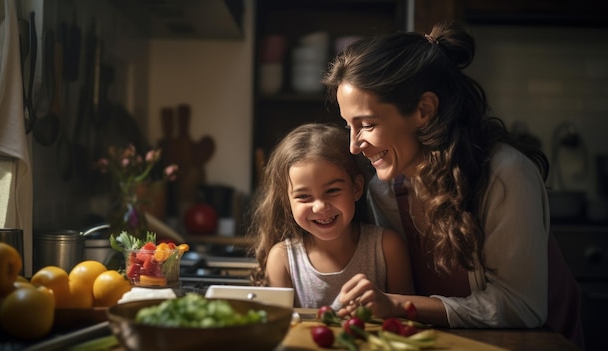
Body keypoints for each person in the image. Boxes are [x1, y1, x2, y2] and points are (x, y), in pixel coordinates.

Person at [322, 21, 584, 349]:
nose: (354, 146)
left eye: (368, 125)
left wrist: (398, 305)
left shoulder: (506, 174)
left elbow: (520, 307)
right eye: (349, 126)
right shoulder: (385, 191)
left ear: (424, 110)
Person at [248, 123, 414, 308]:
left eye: (332, 190)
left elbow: (406, 320)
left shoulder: (388, 248)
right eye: (303, 196)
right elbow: (279, 331)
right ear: (287, 202)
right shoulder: (282, 260)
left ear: (357, 188)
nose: (320, 207)